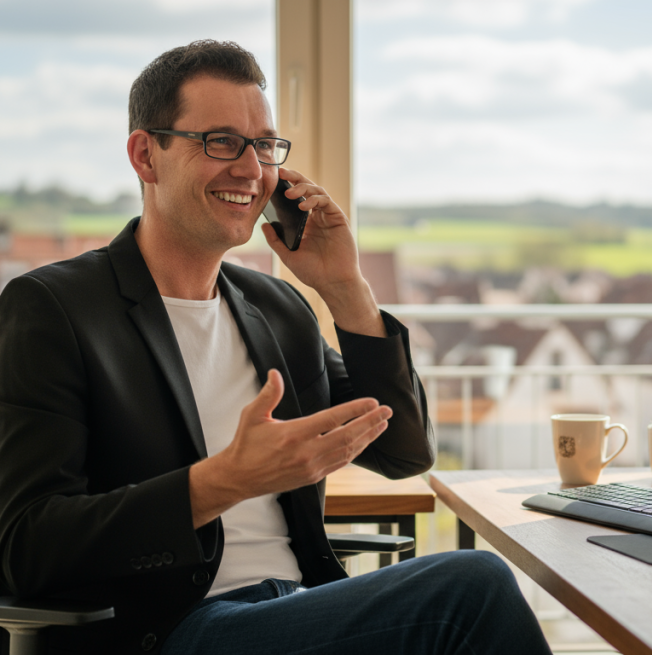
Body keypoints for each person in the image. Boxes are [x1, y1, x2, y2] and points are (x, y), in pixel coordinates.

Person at [0, 40, 552, 655]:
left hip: (295, 609)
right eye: (221, 141)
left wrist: (346, 290)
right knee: (469, 587)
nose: (250, 168)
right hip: (169, 629)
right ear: (145, 155)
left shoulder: (277, 308)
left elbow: (403, 450)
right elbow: (25, 545)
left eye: (263, 145)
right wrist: (219, 484)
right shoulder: (53, 308)